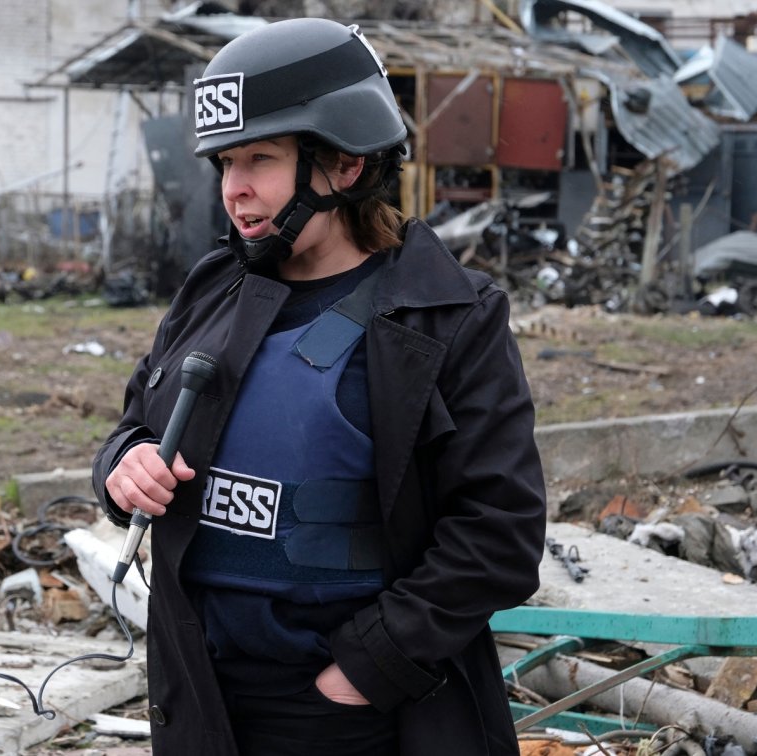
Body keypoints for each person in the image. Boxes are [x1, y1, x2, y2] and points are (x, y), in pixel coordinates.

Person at [92, 16, 546, 756]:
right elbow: (134, 427)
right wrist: (124, 467)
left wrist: (366, 669)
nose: (234, 190)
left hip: (351, 711)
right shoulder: (214, 289)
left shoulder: (447, 317)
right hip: (202, 692)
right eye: (224, 164)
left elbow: (498, 534)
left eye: (259, 159)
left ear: (345, 163)